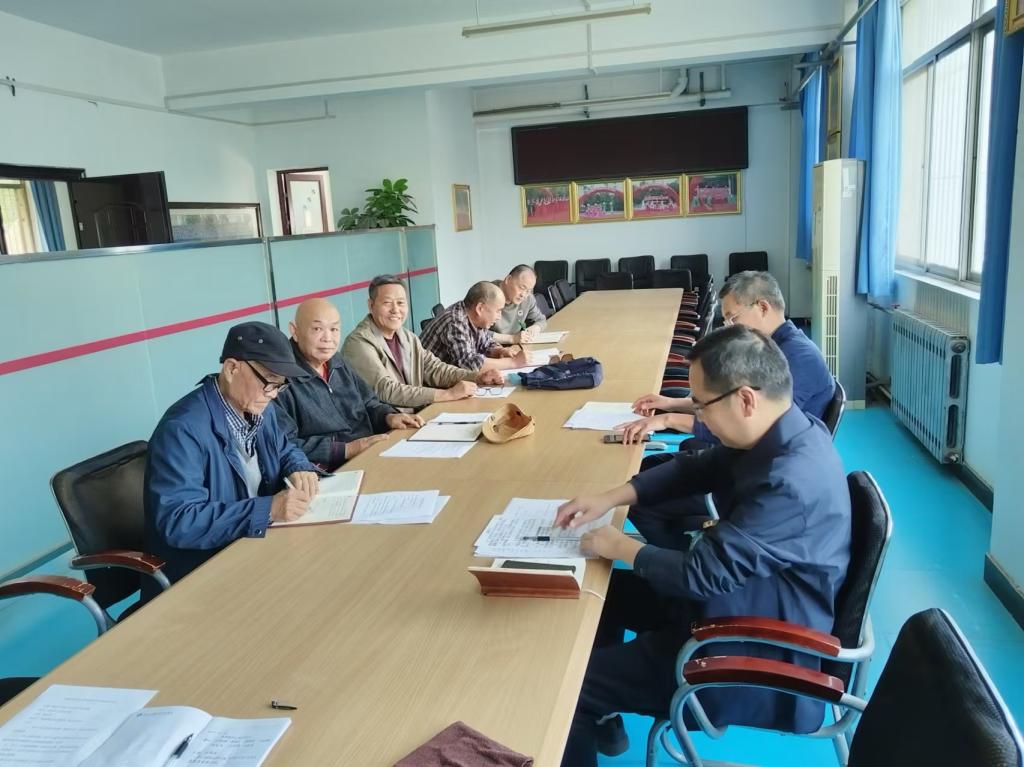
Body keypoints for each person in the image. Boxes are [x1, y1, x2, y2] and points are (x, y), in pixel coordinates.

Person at [555, 326, 851, 767]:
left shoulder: (789, 482)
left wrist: (621, 546)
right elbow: (695, 469)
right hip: (739, 603)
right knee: (604, 597)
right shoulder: (783, 430)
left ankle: (591, 706)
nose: (698, 416)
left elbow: (700, 574)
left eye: (702, 404)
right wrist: (611, 498)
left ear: (745, 399)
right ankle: (606, 717)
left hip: (747, 651)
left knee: (567, 690)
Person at [144, 321, 321, 596]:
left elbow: (284, 448)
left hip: (253, 550)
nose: (273, 394)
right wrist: (268, 510)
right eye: (268, 381)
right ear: (231, 369)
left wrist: (299, 467)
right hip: (202, 573)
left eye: (280, 386)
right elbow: (179, 520)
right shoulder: (182, 430)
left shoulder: (260, 407)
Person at [618, 270, 835, 447]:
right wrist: (670, 403)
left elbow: (757, 427)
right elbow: (729, 405)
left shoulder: (800, 357)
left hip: (768, 457)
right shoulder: (769, 347)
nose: (730, 327)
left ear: (762, 307)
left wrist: (669, 419)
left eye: (733, 318)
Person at [273, 298, 422, 469]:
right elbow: (284, 444)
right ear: (295, 331)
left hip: (370, 452)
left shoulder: (336, 360)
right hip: (331, 470)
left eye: (334, 329)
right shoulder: (280, 378)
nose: (328, 338)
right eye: (317, 329)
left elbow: (369, 402)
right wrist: (347, 449)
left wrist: (388, 416)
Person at [341, 275, 505, 410]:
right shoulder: (358, 343)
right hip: (385, 426)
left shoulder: (407, 337)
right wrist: (447, 394)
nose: (395, 310)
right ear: (371, 305)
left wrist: (477, 377)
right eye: (387, 303)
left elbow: (435, 369)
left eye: (400, 303)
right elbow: (386, 389)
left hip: (414, 415)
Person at [421, 281, 531, 372]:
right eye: (498, 311)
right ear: (480, 308)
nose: (499, 317)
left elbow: (486, 343)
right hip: (426, 384)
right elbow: (468, 364)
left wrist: (499, 351)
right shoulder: (455, 322)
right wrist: (513, 362)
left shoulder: (474, 317)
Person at [489, 264, 547, 343]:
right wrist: (511, 339)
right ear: (508, 279)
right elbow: (475, 333)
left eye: (528, 291)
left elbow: (541, 320)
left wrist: (535, 328)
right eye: (522, 288)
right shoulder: (488, 295)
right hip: (491, 347)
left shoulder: (528, 298)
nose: (523, 295)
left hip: (515, 346)